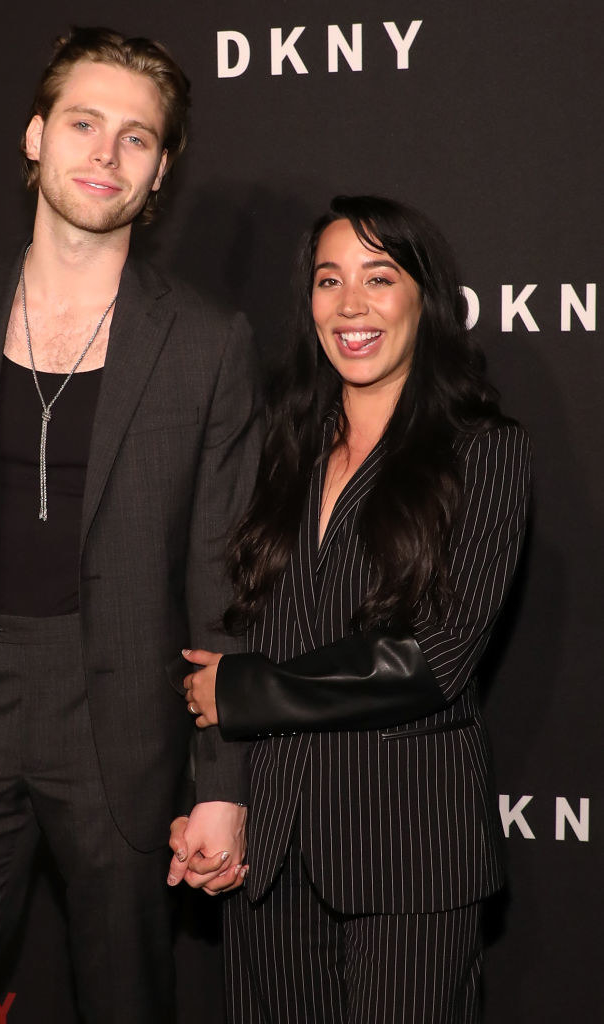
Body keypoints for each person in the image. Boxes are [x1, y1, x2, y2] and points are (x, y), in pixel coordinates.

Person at [0, 26, 260, 1023]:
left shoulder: (208, 342)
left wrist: (224, 780)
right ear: (34, 137)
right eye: (83, 124)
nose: (105, 156)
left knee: (127, 1001)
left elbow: (223, 580)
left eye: (136, 138)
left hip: (120, 718)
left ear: (160, 172)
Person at [169, 196, 532, 1022]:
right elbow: (234, 612)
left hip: (408, 849)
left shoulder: (483, 450)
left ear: (424, 298)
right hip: (272, 850)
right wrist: (215, 794)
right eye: (328, 281)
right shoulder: (275, 443)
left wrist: (243, 691)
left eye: (379, 278)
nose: (350, 305)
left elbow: (434, 656)